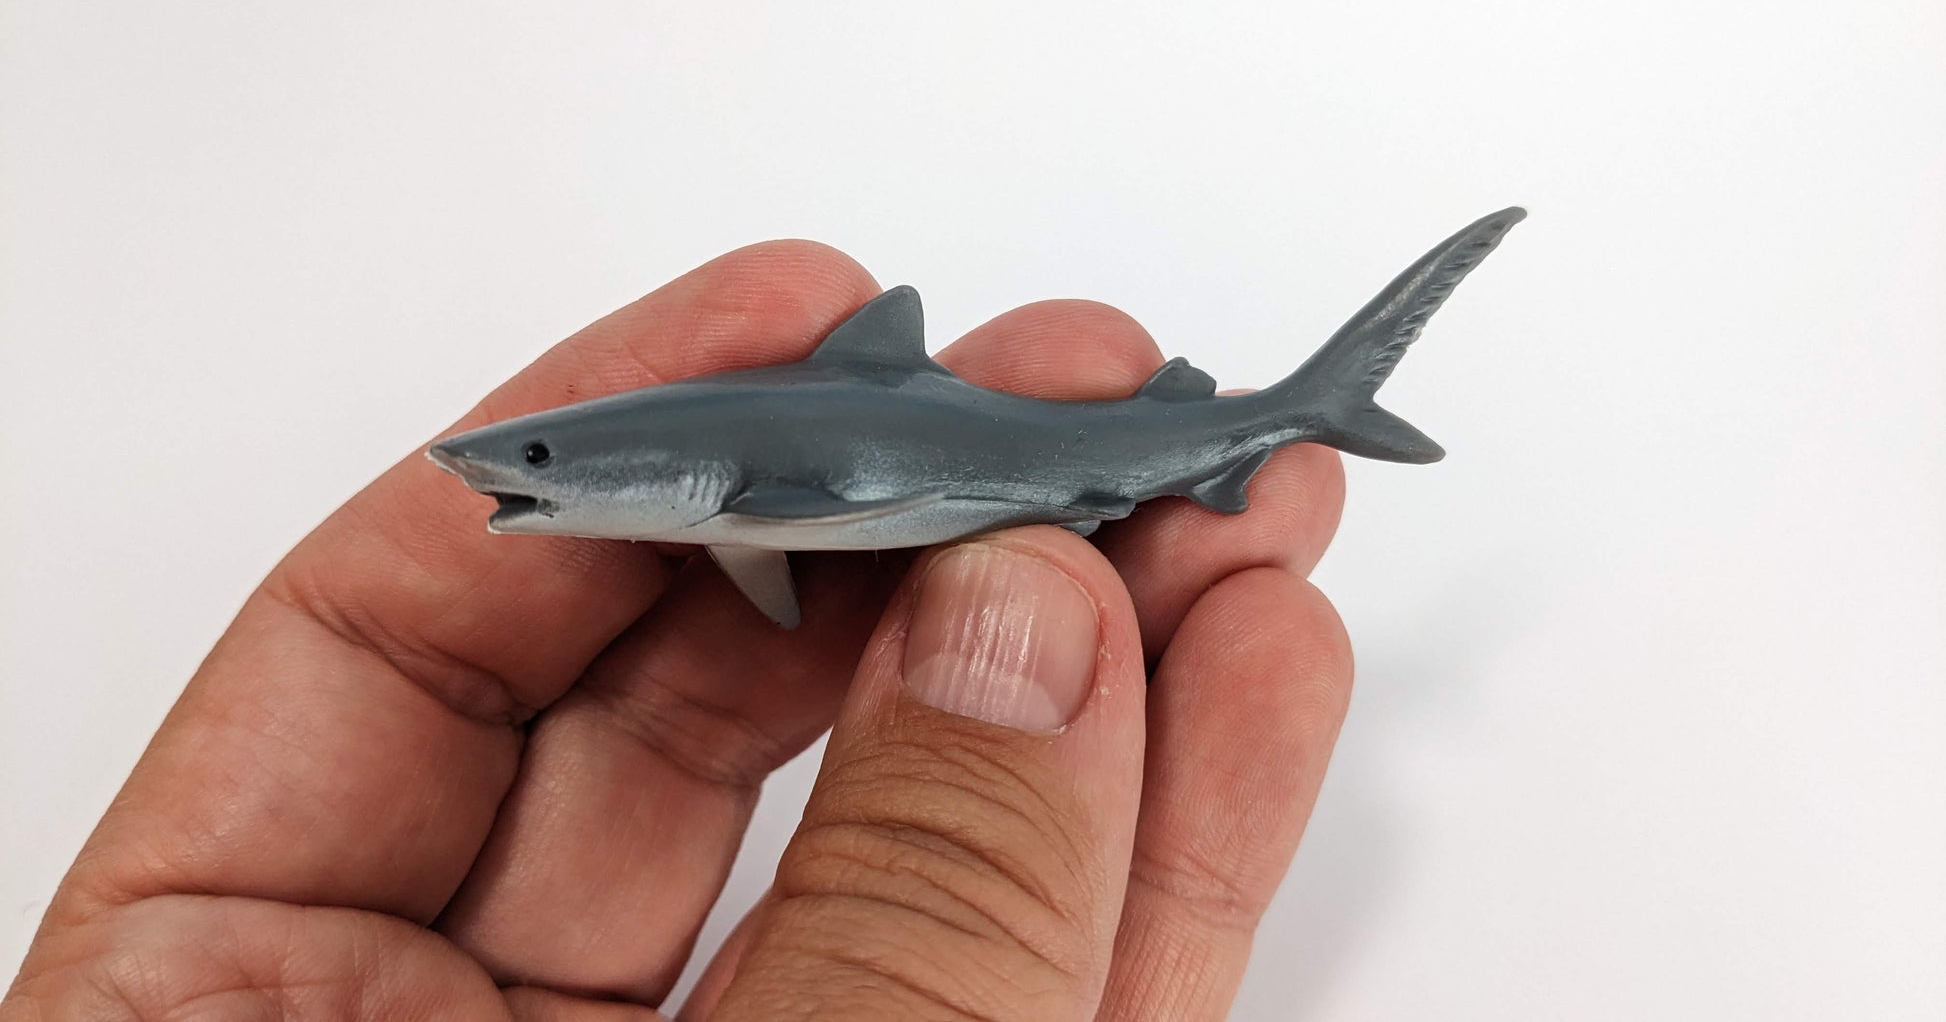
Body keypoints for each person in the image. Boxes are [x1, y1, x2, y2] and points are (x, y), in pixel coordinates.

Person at [3, 242, 1353, 1021]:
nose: (497, 475)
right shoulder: (734, 519)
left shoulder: (759, 491)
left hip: (1072, 463)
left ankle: (1317, 403)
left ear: (673, 469)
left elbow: (790, 517)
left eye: (537, 460)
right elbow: (751, 543)